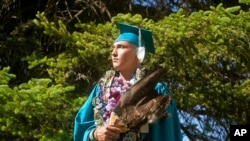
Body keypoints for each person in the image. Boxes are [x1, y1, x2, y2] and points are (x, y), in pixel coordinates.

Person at [73, 22, 182, 141]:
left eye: (121, 47)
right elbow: (81, 124)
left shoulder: (156, 89)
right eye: (113, 48)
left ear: (139, 53)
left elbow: (165, 134)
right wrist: (94, 134)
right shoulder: (101, 89)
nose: (114, 53)